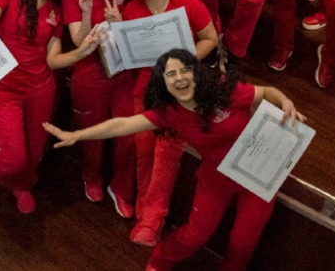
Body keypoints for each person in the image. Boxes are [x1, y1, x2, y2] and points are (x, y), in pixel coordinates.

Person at [44, 49, 304, 271]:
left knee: (243, 243)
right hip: (216, 180)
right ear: (163, 83)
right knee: (194, 236)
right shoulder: (169, 113)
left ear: (195, 72)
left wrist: (285, 101)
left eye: (183, 71)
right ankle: (159, 261)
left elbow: (267, 92)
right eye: (170, 74)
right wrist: (78, 134)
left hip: (259, 176)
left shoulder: (223, 89)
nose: (179, 78)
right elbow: (123, 124)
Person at [0, 0, 103, 213]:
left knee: (33, 152)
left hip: (40, 88)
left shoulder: (57, 8)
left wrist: (82, 51)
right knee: (13, 155)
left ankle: (22, 186)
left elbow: (53, 60)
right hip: (4, 86)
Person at [122, 0, 218, 246]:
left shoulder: (188, 4)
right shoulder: (131, 10)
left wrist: (182, 67)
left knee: (167, 154)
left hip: (182, 93)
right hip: (146, 91)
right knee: (143, 152)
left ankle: (152, 221)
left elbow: (210, 39)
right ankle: (143, 213)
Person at [63, 0, 134, 213]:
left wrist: (120, 22)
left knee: (128, 136)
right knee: (92, 136)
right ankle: (91, 177)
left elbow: (135, 30)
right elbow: (80, 42)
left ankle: (120, 187)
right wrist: (86, 13)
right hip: (90, 74)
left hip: (122, 72)